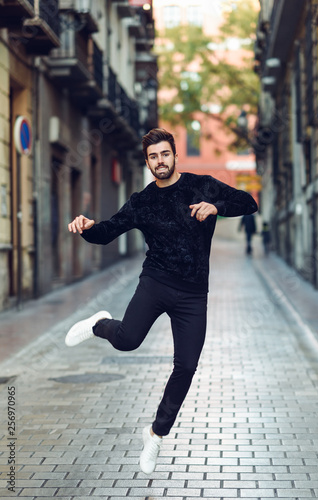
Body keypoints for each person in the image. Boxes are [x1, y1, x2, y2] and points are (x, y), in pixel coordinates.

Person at [65, 128, 258, 475]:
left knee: (186, 366)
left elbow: (250, 202)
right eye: (153, 157)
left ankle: (156, 433)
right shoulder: (142, 200)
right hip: (155, 282)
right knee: (126, 341)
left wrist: (217, 206)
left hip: (194, 292)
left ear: (174, 155)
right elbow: (109, 230)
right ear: (148, 162)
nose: (160, 161)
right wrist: (87, 226)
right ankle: (98, 324)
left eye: (165, 154)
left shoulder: (201, 184)